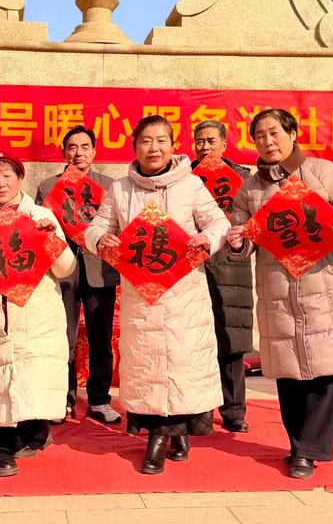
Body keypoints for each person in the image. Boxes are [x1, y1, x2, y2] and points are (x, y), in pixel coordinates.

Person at [227, 108, 333, 480]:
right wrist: (237, 241)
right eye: (260, 135)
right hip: (279, 291)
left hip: (327, 287)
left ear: (293, 134)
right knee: (290, 373)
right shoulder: (250, 189)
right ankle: (298, 444)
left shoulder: (322, 172)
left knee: (328, 367)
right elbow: (242, 237)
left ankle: (309, 451)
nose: (268, 141)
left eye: (275, 132)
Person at [85, 115, 230, 475]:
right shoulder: (120, 189)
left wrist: (206, 240)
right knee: (149, 367)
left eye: (162, 140)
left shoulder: (191, 185)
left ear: (173, 146)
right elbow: (97, 226)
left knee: (181, 365)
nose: (154, 148)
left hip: (185, 295)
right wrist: (101, 240)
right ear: (135, 146)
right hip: (141, 296)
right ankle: (163, 434)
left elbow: (219, 223)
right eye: (146, 141)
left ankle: (167, 436)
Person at [0, 153, 76, 477]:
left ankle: (35, 430)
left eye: (8, 175)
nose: (0, 183)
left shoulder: (41, 216)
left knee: (32, 377)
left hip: (36, 315)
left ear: (21, 179)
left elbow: (67, 268)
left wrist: (50, 240)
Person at [34, 125, 121, 425]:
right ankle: (63, 398)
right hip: (63, 270)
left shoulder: (111, 186)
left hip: (100, 269)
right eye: (72, 147)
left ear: (94, 152)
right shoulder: (48, 187)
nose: (78, 153)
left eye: (85, 147)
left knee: (101, 338)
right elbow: (38, 230)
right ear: (64, 152)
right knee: (62, 338)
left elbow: (120, 226)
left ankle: (99, 399)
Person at [191, 119, 255, 432]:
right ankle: (199, 411)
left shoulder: (243, 179)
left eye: (211, 141)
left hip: (232, 265)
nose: (205, 147)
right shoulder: (184, 178)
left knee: (231, 341)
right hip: (195, 265)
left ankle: (234, 411)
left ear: (224, 144)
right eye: (199, 141)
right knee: (196, 341)